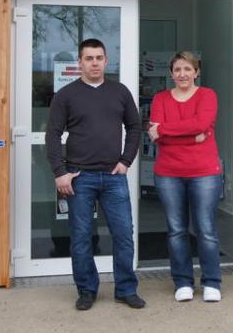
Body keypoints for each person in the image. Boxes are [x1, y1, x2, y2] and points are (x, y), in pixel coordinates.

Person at [46, 38, 145, 311]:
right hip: (80, 178)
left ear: (106, 60)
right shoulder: (66, 95)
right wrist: (60, 172)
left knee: (124, 234)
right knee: (81, 237)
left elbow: (135, 128)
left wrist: (126, 161)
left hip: (114, 177)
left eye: (99, 58)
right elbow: (52, 135)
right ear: (80, 62)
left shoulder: (120, 92)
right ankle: (86, 290)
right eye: (88, 58)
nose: (94, 63)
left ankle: (125, 289)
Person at [148, 51, 223, 303]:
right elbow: (154, 134)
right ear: (171, 73)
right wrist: (192, 136)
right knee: (176, 230)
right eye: (178, 69)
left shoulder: (207, 95)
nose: (182, 74)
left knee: (206, 229)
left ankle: (212, 282)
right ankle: (183, 282)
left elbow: (200, 123)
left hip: (204, 172)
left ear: (196, 72)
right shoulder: (160, 98)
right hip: (168, 172)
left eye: (187, 69)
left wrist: (166, 130)